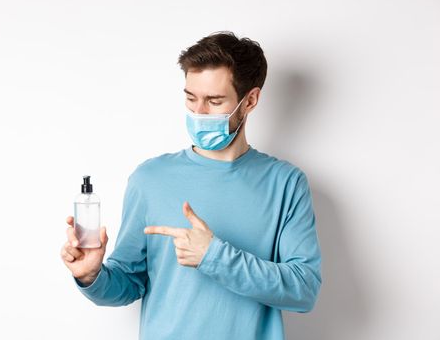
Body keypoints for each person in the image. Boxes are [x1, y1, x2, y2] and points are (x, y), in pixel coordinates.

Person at [60, 31, 322, 340]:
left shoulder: (285, 183)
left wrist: (214, 256)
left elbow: (304, 290)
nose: (198, 113)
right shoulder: (150, 179)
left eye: (214, 101)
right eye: (190, 98)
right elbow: (128, 282)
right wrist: (93, 276)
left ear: (249, 100)